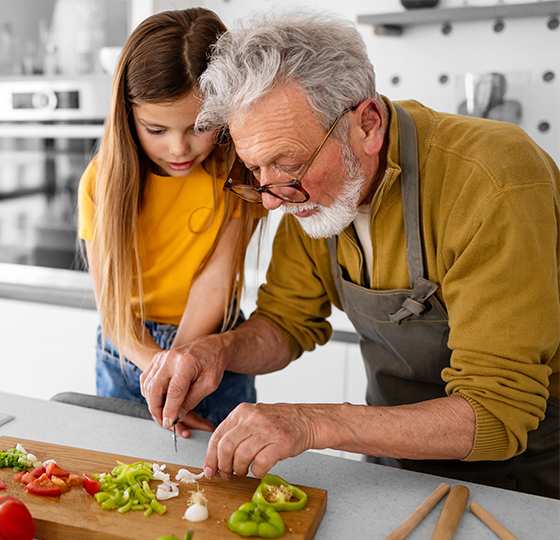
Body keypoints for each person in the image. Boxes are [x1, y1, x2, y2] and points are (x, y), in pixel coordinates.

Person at [140, 10, 560, 499]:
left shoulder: (494, 181)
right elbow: (286, 321)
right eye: (256, 169)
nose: (272, 198)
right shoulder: (306, 196)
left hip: (522, 477)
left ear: (368, 125)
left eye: (288, 165)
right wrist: (217, 350)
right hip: (389, 466)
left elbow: (497, 412)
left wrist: (313, 423)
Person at [78, 8, 264, 434]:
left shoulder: (236, 174)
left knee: (219, 487)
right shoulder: (101, 182)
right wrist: (161, 371)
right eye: (156, 129)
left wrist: (178, 372)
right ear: (129, 116)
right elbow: (113, 310)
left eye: (198, 126)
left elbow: (214, 283)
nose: (179, 148)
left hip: (212, 350)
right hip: (129, 354)